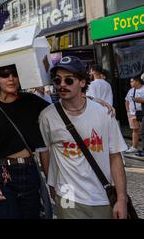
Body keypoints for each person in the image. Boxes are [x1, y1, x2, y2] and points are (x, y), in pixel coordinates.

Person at [39, 56, 128, 219]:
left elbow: (115, 157)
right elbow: (44, 152)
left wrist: (121, 199)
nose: (62, 85)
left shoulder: (104, 113)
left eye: (69, 80)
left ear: (82, 82)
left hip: (101, 195)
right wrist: (52, 186)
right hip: (66, 193)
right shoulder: (47, 116)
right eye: (57, 81)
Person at [0, 65, 50, 219]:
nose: (11, 79)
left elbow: (59, 112)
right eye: (4, 75)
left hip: (29, 171)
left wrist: (91, 100)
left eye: (15, 74)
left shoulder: (31, 101)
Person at [125, 76, 144, 153]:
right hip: (133, 113)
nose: (130, 83)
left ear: (137, 81)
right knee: (135, 130)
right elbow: (126, 101)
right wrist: (128, 111)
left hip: (142, 113)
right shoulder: (131, 90)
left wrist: (140, 100)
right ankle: (134, 146)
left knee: (142, 131)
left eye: (132, 81)